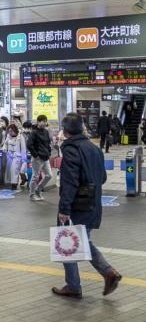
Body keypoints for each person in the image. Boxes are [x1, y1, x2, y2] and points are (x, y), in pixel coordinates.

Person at [52, 113, 121, 299]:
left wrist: (64, 209)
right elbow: (103, 177)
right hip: (93, 204)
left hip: (77, 206)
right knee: (83, 241)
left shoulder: (71, 149)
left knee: (67, 241)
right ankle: (108, 273)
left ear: (65, 131)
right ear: (82, 127)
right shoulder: (94, 148)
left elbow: (70, 182)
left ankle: (74, 285)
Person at [26, 114, 52, 201]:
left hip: (45, 157)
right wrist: (35, 155)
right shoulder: (34, 132)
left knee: (49, 175)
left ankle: (38, 190)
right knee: (35, 176)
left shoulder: (46, 132)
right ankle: (32, 194)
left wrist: (49, 152)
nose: (44, 123)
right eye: (43, 121)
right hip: (37, 158)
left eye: (45, 121)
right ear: (38, 122)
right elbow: (29, 145)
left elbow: (48, 143)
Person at [2, 123, 27, 189]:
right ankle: (10, 183)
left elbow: (23, 149)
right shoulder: (8, 136)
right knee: (9, 170)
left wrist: (24, 160)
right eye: (9, 131)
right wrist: (4, 148)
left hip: (17, 156)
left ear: (15, 130)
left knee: (14, 170)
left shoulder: (20, 137)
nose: (10, 132)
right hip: (9, 155)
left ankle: (14, 184)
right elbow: (5, 144)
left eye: (11, 131)